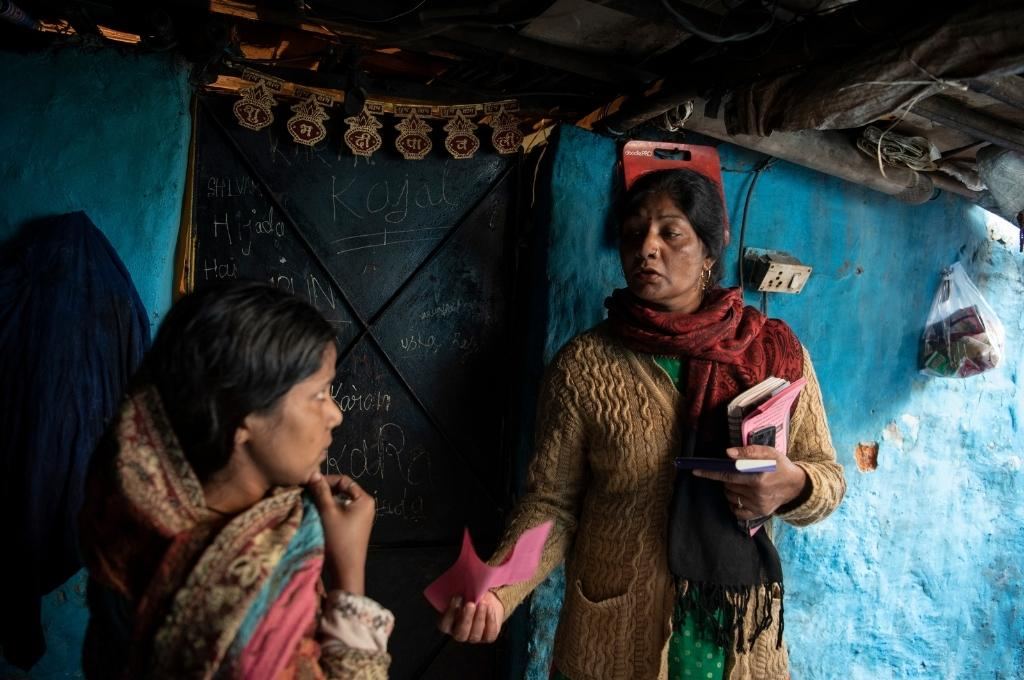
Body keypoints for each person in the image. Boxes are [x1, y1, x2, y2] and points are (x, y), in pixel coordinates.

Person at [438, 168, 845, 679]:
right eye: (633, 234)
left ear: (709, 248)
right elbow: (552, 506)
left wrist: (793, 486)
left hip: (731, 634)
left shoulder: (773, 353)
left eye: (669, 232)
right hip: (612, 633)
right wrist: (499, 589)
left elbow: (827, 476)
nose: (646, 247)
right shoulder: (586, 366)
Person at [79, 281, 393, 679]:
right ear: (240, 416)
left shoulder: (124, 509)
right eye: (319, 395)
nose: (336, 415)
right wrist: (349, 580)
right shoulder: (242, 628)